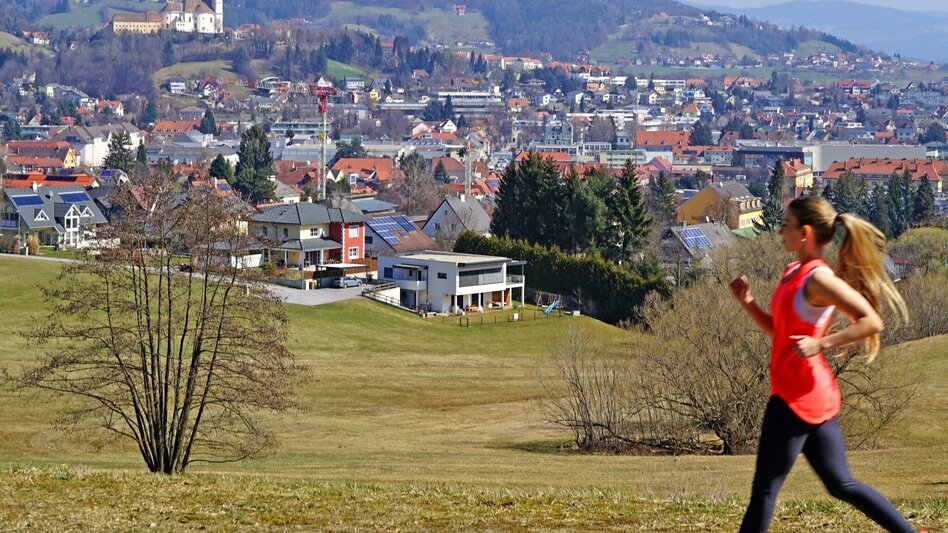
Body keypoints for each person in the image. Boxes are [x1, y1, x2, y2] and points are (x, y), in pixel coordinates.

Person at [729, 196, 920, 533]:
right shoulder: (794, 272)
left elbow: (872, 321)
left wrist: (822, 343)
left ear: (805, 232)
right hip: (813, 395)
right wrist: (748, 303)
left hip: (794, 397)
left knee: (764, 491)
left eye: (785, 225)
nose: (779, 231)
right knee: (840, 484)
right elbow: (782, 332)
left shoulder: (818, 279)